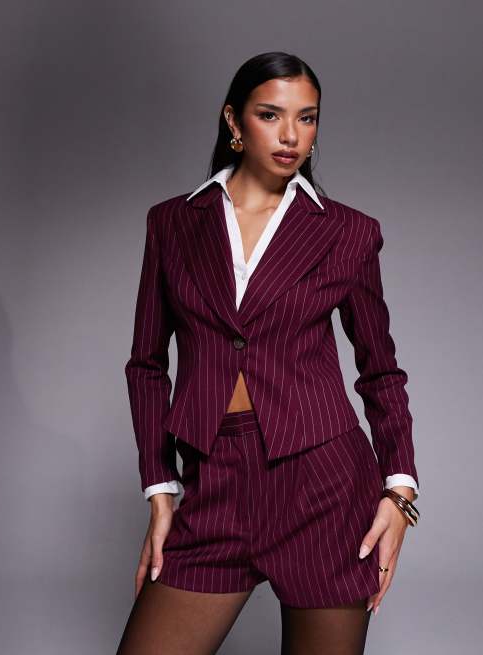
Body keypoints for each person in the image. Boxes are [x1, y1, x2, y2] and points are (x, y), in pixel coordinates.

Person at [116, 51, 420, 655]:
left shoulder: (347, 232)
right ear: (234, 120)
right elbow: (146, 365)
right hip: (214, 482)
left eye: (307, 118)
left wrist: (399, 492)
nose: (290, 136)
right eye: (270, 115)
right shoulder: (172, 224)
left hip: (323, 487)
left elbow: (380, 369)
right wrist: (160, 489)